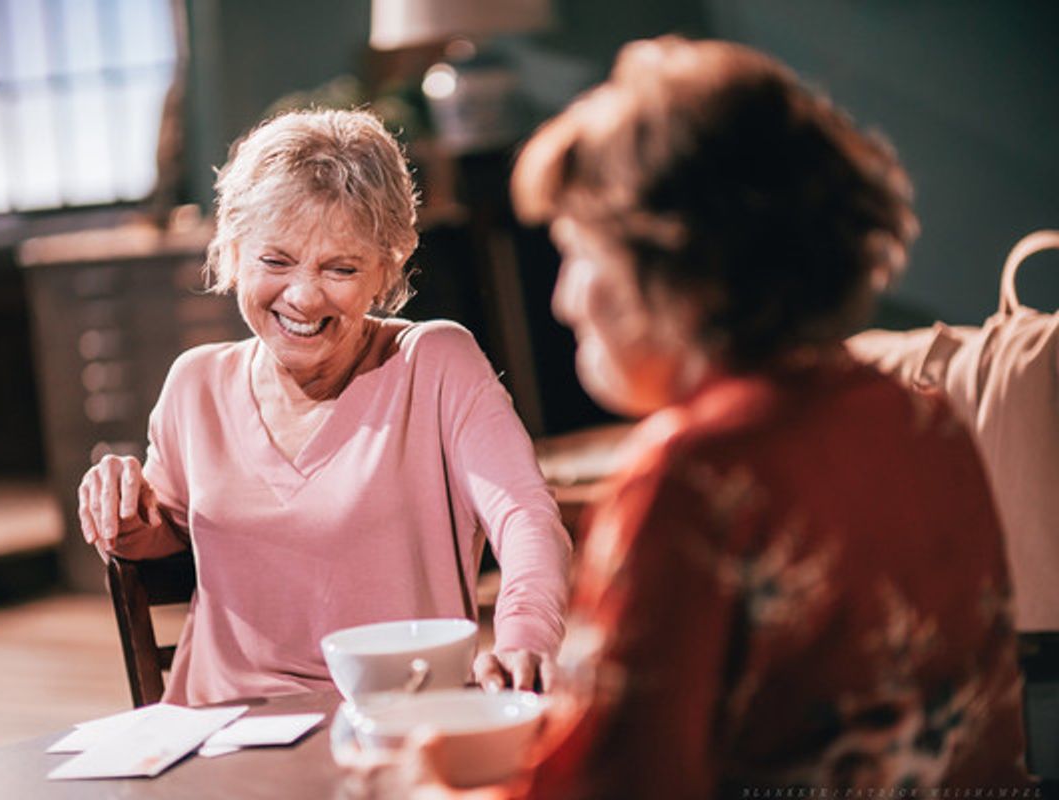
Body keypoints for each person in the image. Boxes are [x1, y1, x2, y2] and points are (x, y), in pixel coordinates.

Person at [413, 35, 1032, 798]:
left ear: (675, 264)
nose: (563, 297)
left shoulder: (695, 472)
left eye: (577, 250)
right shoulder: (925, 421)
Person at [76, 109, 571, 706]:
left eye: (341, 268)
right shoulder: (195, 385)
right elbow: (160, 534)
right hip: (222, 732)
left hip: (397, 718)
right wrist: (121, 514)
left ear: (385, 273)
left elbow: (526, 518)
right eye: (276, 262)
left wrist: (525, 638)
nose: (304, 298)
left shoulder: (436, 364)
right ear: (232, 254)